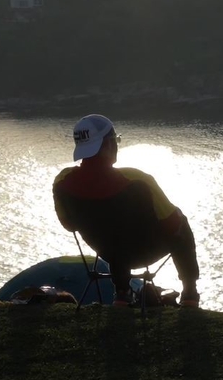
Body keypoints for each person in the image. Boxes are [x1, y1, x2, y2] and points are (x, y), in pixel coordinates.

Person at [52, 114, 200, 307]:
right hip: (144, 251)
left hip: (107, 252)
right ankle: (189, 293)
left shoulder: (63, 182)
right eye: (116, 140)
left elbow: (69, 225)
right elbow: (172, 224)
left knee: (114, 238)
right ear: (108, 144)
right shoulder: (137, 181)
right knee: (181, 222)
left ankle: (122, 292)